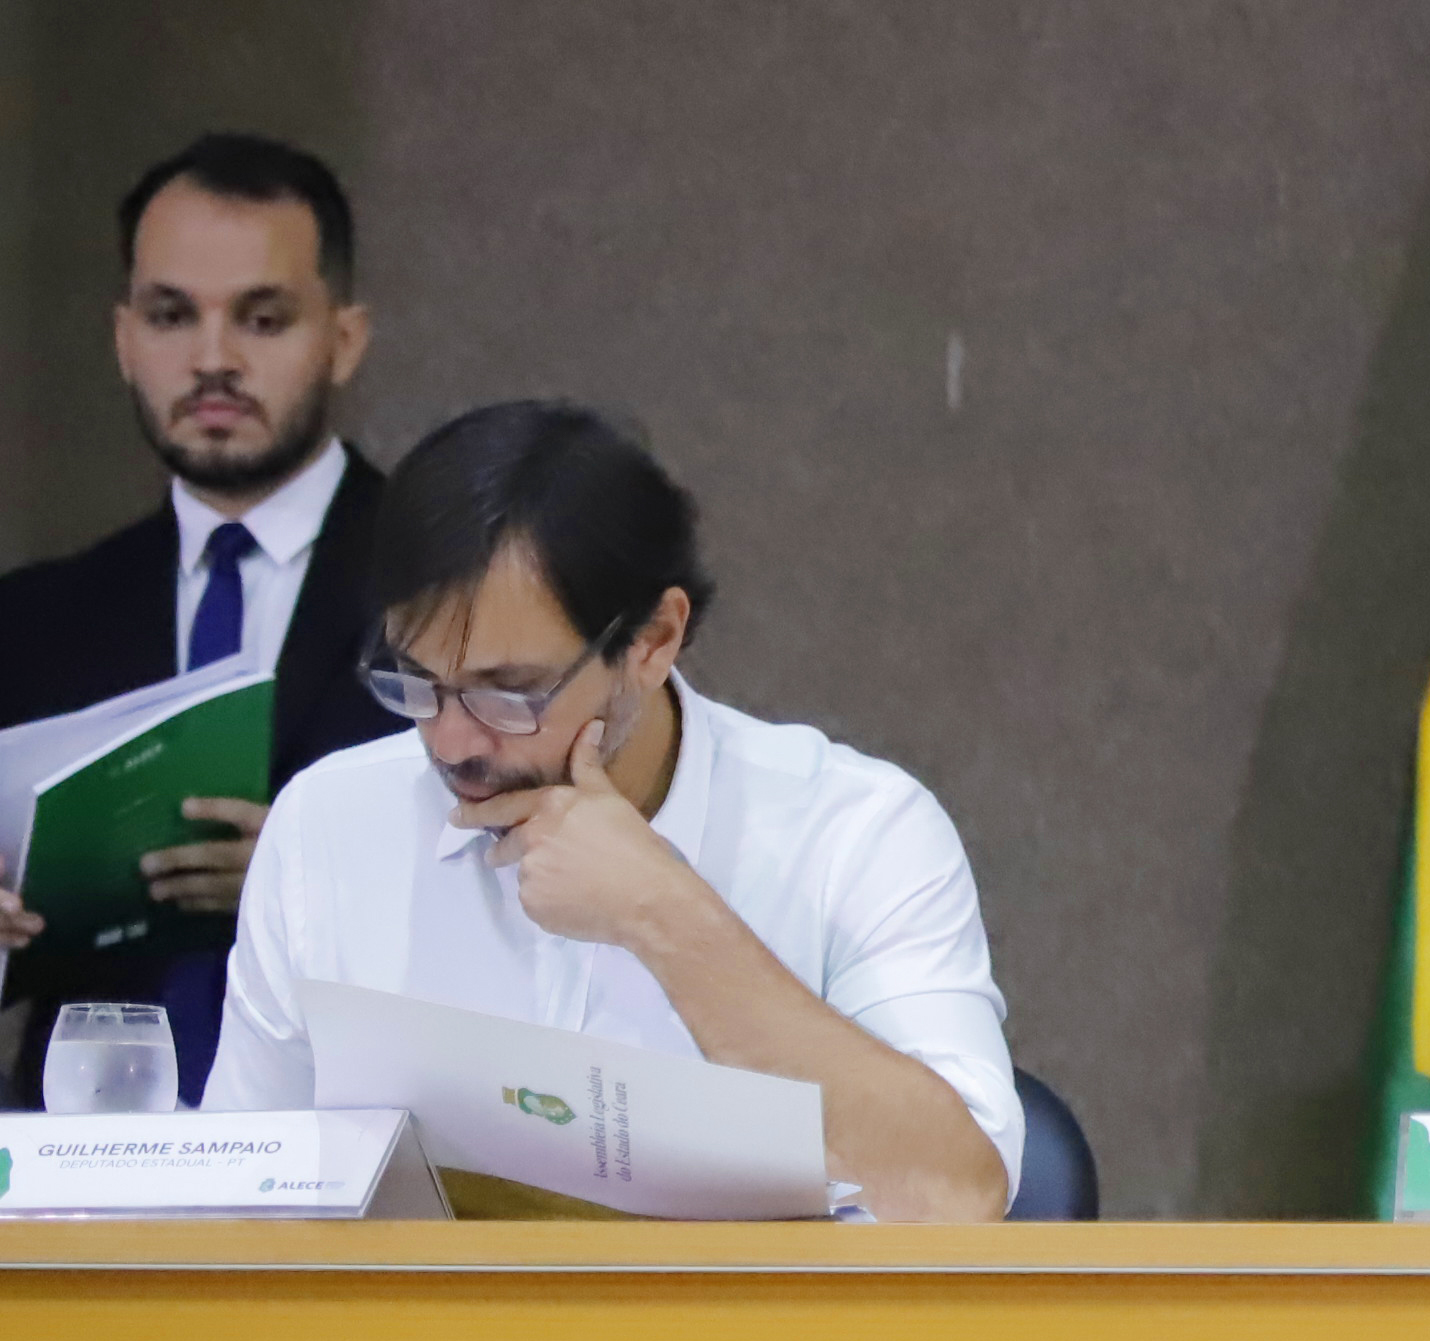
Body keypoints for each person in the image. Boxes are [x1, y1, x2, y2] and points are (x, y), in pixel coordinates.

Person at [204, 402, 1023, 1223]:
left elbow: (955, 1196)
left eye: (510, 691)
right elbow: (230, 1214)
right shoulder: (328, 827)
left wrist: (663, 915)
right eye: (415, 681)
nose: (451, 743)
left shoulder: (857, 834)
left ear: (654, 640)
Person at [0, 136, 409, 1101]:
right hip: (79, 1179)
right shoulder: (30, 620)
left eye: (262, 319)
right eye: (172, 315)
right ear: (123, 339)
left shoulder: (457, 591)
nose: (213, 359)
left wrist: (310, 887)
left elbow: (545, 909)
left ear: (343, 339)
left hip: (362, 1157)